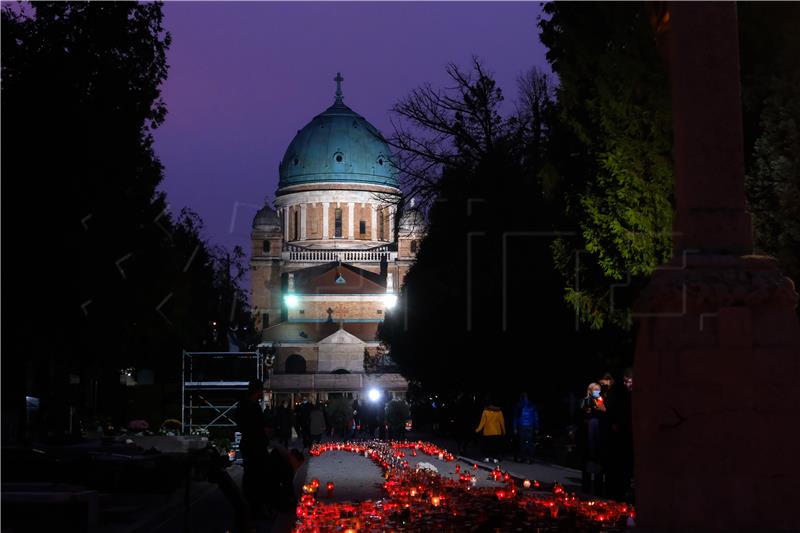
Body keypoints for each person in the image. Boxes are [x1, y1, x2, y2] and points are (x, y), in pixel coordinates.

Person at [235, 379, 272, 518]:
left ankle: (251, 504)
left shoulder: (245, 405)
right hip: (254, 445)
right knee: (255, 475)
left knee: (251, 474)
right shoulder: (250, 406)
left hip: (251, 444)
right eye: (261, 390)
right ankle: (254, 506)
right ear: (258, 390)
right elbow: (257, 425)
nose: (263, 393)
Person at [578, 382, 607, 496]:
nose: (597, 392)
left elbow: (604, 413)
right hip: (587, 438)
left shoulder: (600, 401)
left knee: (598, 465)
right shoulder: (585, 401)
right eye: (595, 390)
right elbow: (581, 417)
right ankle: (586, 489)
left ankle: (598, 490)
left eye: (598, 390)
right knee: (587, 466)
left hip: (598, 436)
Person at [475, 399, 506, 464]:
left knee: (487, 445)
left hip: (487, 432)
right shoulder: (499, 411)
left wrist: (478, 429)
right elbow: (502, 422)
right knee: (495, 445)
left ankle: (487, 458)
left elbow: (482, 422)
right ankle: (495, 458)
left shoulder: (485, 411)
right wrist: (504, 431)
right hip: (497, 432)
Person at [513, 393, 539, 464]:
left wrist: (515, 427)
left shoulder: (519, 406)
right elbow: (536, 417)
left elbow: (515, 418)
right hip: (530, 426)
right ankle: (530, 459)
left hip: (521, 426)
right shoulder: (532, 406)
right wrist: (536, 427)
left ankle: (522, 458)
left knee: (522, 443)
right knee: (530, 443)